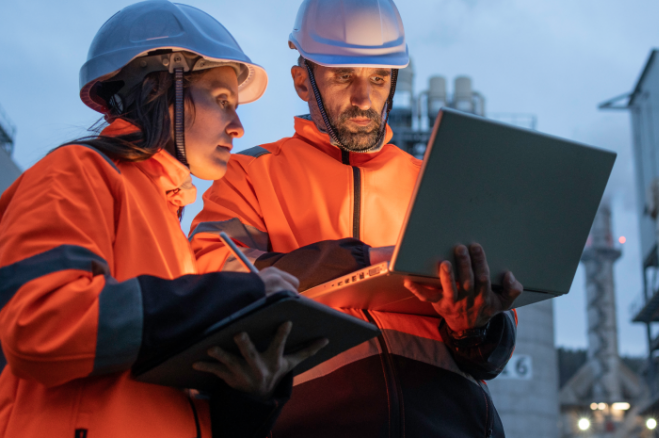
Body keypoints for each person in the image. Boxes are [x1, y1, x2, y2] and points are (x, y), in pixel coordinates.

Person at [0, 2, 330, 437]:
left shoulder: (169, 232)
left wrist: (252, 391)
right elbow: (41, 323)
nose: (237, 127)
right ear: (161, 89)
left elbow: (171, 394)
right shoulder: (75, 173)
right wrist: (226, 296)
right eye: (221, 102)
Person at [189, 0, 522, 436]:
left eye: (379, 78)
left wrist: (474, 326)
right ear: (302, 82)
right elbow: (214, 276)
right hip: (314, 420)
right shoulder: (251, 174)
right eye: (343, 76)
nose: (364, 98)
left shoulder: (432, 183)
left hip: (455, 423)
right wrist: (354, 262)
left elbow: (493, 354)